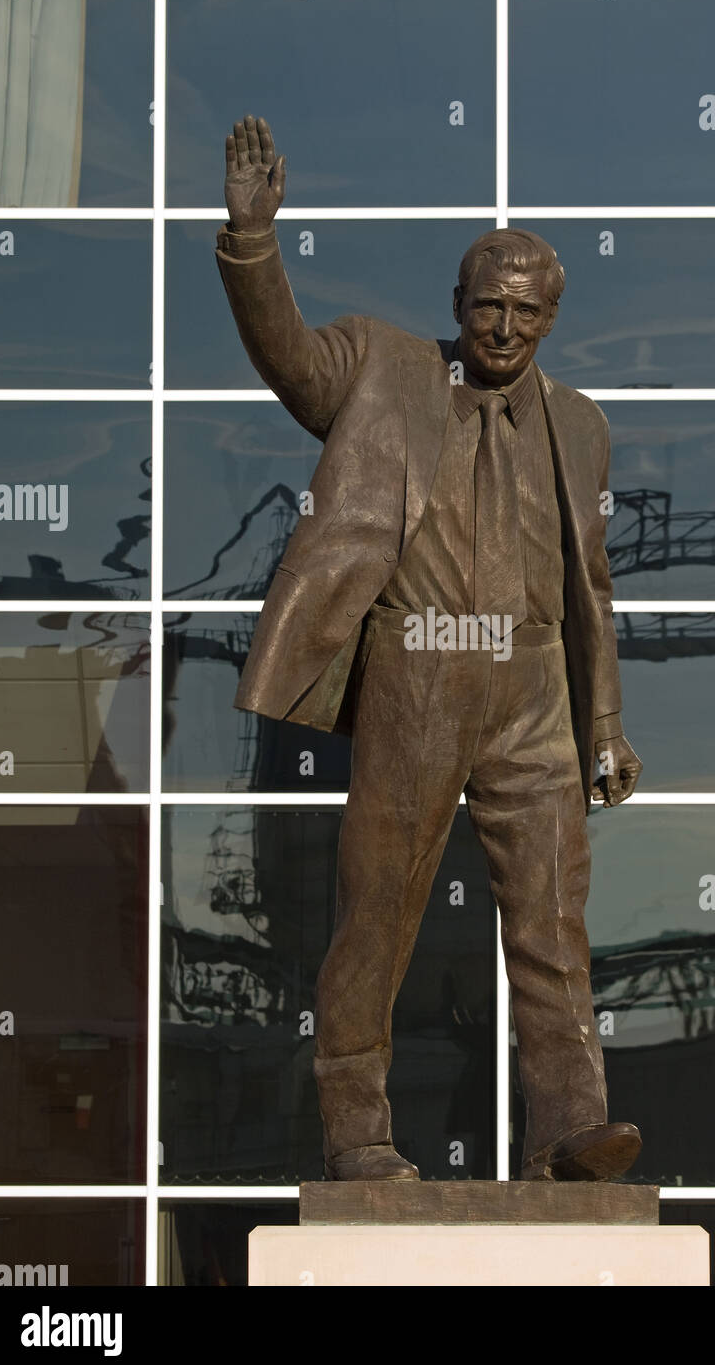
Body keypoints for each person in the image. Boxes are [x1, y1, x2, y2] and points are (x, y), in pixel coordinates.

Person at [216, 116, 644, 1183]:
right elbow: (293, 362)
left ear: (552, 318)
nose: (505, 326)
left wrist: (603, 722)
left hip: (536, 685)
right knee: (382, 908)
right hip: (420, 667)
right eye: (489, 305)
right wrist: (254, 242)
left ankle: (568, 1130)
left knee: (553, 919)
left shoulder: (581, 424)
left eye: (527, 311)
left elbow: (590, 586)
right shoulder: (384, 367)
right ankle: (358, 1129)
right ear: (458, 307)